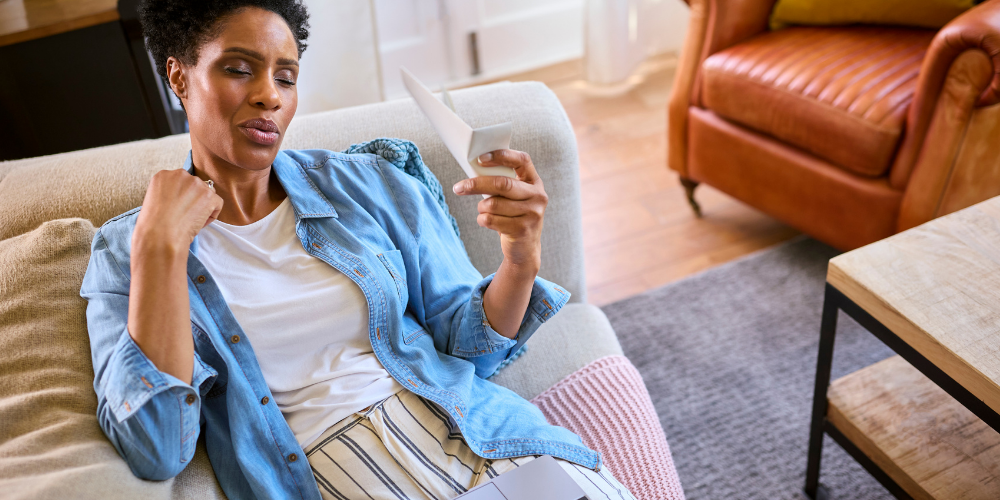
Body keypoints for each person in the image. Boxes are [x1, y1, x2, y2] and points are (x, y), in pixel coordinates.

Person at [81, 1, 636, 499]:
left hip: (478, 436)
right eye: (238, 68)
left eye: (286, 76)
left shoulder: (368, 183)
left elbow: (470, 350)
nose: (269, 95)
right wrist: (159, 247)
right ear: (179, 75)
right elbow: (156, 447)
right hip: (330, 470)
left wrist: (520, 259)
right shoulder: (125, 250)